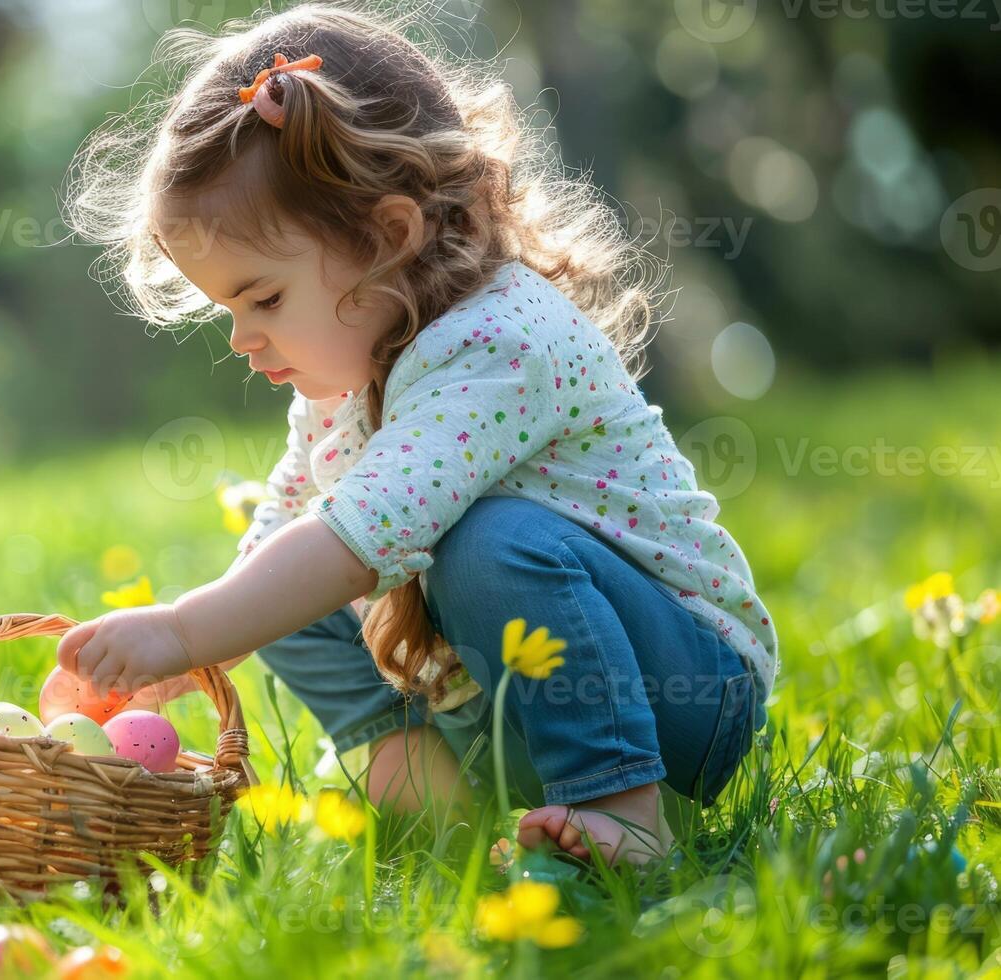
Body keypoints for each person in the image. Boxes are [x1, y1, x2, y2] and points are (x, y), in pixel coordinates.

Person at [55, 3, 775, 867]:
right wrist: (203, 640)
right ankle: (435, 805)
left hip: (682, 695)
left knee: (483, 542)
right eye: (228, 311)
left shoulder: (498, 345)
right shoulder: (351, 372)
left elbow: (361, 542)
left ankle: (622, 811)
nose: (243, 340)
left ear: (390, 238)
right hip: (504, 684)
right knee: (279, 578)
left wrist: (183, 629)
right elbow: (290, 536)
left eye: (266, 299)